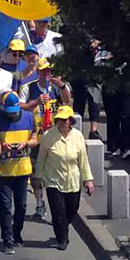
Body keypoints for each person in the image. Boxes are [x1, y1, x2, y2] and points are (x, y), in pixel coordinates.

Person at [34, 104, 95, 250]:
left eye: (65, 119)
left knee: (72, 209)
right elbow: (41, 157)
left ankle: (62, 228)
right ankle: (62, 238)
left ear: (70, 121)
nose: (62, 122)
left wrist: (88, 179)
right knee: (58, 211)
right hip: (53, 180)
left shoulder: (78, 136)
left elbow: (83, 159)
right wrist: (38, 177)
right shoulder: (49, 136)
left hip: (73, 180)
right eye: (59, 119)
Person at [0, 92, 38, 254]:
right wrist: (1, 146)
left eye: (14, 110)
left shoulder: (28, 117)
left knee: (22, 205)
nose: (12, 114)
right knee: (5, 206)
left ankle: (17, 232)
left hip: (22, 169)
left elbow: (35, 139)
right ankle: (8, 239)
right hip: (3, 170)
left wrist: (26, 143)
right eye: (9, 110)